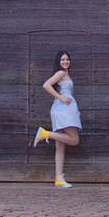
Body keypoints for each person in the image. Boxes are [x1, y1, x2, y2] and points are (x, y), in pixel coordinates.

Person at [31, 50, 81, 188]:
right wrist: (60, 97)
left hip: (63, 109)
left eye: (67, 59)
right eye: (63, 60)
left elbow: (68, 94)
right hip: (63, 110)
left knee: (60, 146)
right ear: (58, 62)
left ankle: (58, 178)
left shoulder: (66, 75)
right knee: (74, 140)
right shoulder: (60, 74)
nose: (65, 62)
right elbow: (46, 85)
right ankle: (45, 134)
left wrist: (76, 111)